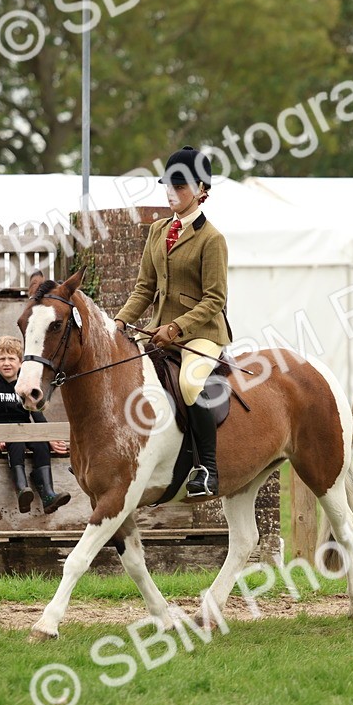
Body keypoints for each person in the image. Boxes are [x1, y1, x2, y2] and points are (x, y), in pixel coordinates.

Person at [113, 144, 231, 500]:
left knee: (190, 384)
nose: (171, 193)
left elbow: (215, 299)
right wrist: (119, 323)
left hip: (201, 334)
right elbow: (144, 288)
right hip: (159, 330)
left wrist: (177, 328)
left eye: (180, 187)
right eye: (168, 186)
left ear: (201, 190)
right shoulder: (157, 231)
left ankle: (207, 468)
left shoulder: (212, 239)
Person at [0, 336, 71, 514]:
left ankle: (48, 495)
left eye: (11, 359)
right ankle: (22, 490)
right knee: (17, 444)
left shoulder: (25, 386)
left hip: (25, 430)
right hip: (3, 434)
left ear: (20, 363)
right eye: (2, 359)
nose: (7, 363)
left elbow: (37, 414)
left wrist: (49, 437)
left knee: (41, 444)